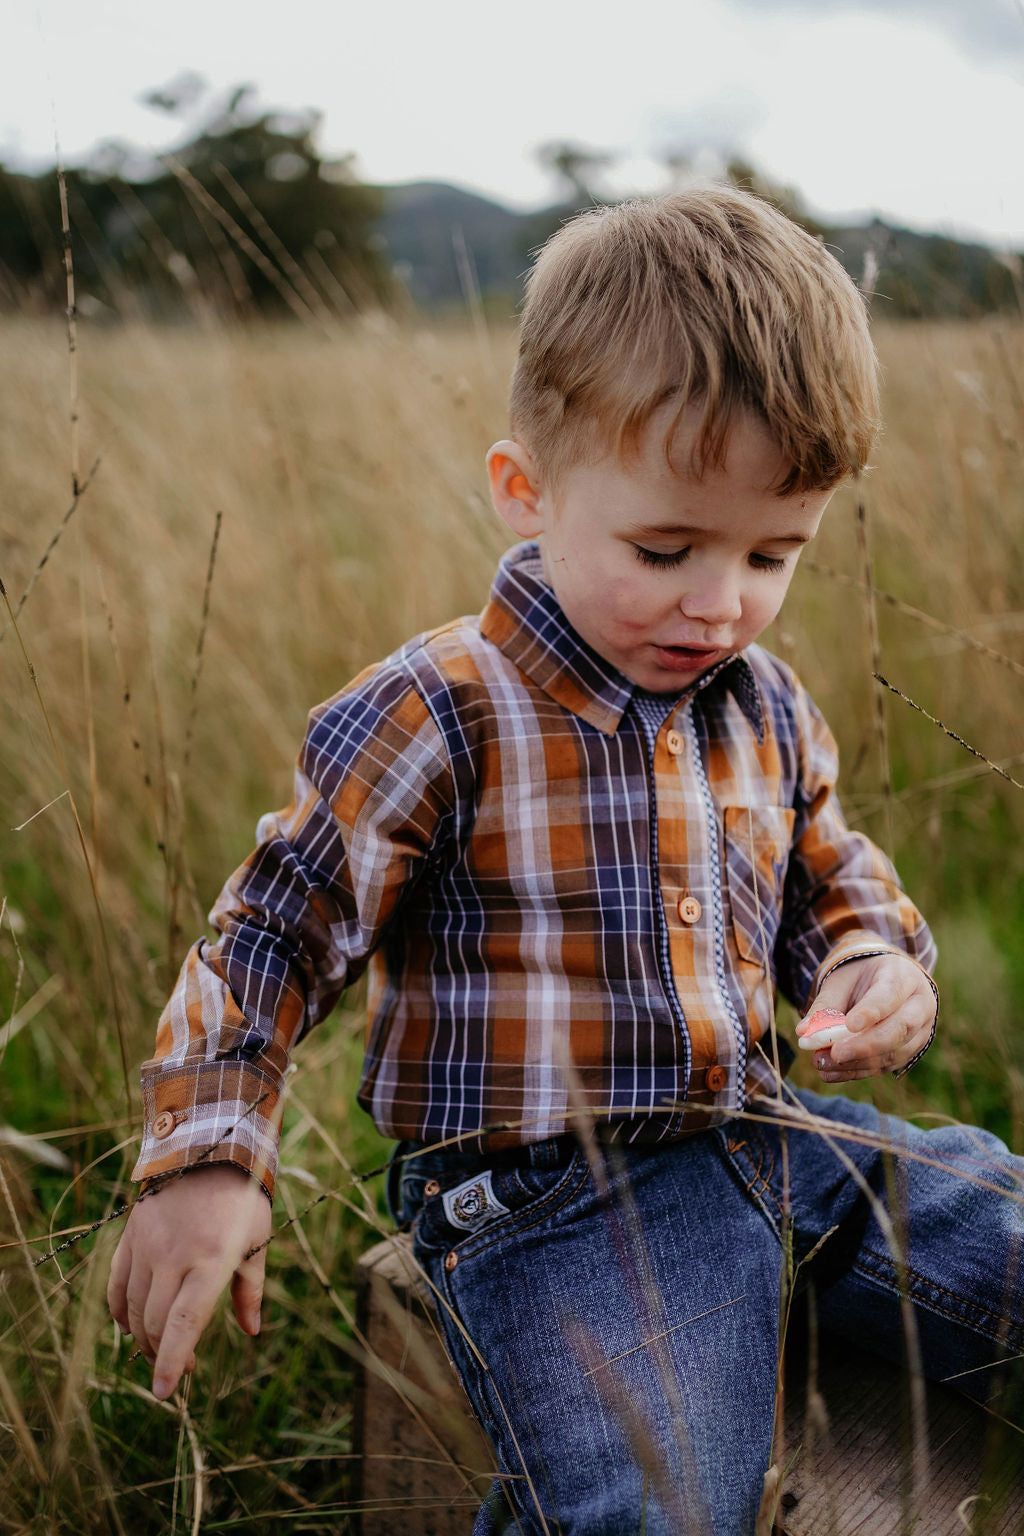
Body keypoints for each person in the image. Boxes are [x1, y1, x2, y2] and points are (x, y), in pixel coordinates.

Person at [107, 187, 1023, 1535]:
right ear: (526, 490)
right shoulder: (443, 707)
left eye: (776, 553)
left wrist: (872, 956)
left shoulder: (762, 703)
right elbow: (272, 930)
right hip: (564, 1199)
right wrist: (208, 1157)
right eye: (667, 548)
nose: (720, 601)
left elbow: (834, 873)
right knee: (644, 1507)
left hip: (777, 1136)